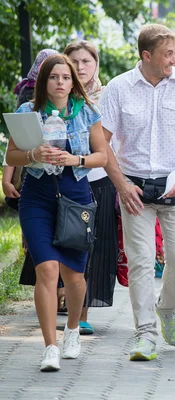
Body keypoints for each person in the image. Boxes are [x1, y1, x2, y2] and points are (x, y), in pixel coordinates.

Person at [100, 24, 175, 361]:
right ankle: (144, 334)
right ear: (146, 56)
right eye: (168, 54)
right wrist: (121, 184)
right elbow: (101, 142)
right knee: (141, 260)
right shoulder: (118, 88)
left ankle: (167, 307)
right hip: (133, 186)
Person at [6, 54, 107, 371]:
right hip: (36, 197)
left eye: (65, 77)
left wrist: (74, 160)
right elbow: (11, 154)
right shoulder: (27, 112)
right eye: (54, 77)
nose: (60, 82)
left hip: (75, 197)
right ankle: (50, 347)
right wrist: (33, 153)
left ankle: (73, 330)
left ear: (72, 82)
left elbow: (102, 156)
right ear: (44, 81)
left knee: (74, 276)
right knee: (47, 270)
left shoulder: (87, 112)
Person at [64, 40, 116, 336]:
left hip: (97, 182)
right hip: (59, 182)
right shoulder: (55, 94)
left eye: (86, 61)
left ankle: (80, 313)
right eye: (75, 61)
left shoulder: (106, 97)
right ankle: (62, 299)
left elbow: (114, 143)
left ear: (95, 64)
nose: (81, 67)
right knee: (62, 243)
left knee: (92, 249)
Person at [3, 49, 59, 307]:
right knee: (37, 232)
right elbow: (17, 137)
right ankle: (46, 284)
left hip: (56, 170)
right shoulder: (28, 93)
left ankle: (52, 285)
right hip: (31, 166)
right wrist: (7, 178)